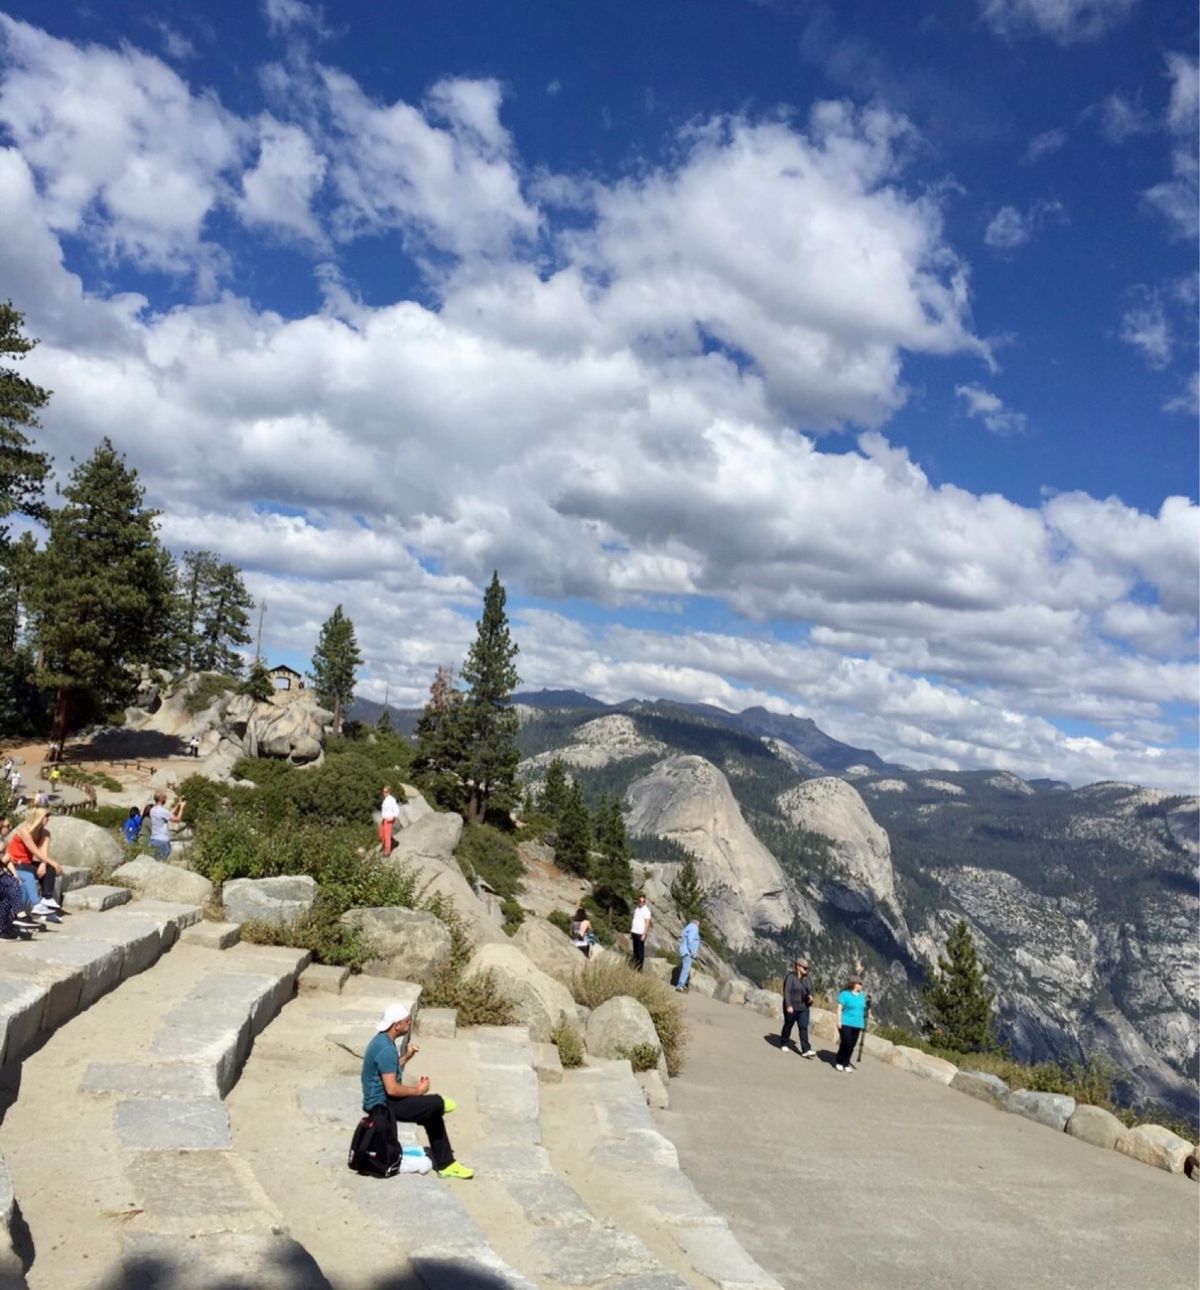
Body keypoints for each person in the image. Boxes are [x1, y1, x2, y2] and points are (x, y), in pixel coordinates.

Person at [360, 1003, 473, 1179]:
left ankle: (446, 1165)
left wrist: (406, 1057)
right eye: (407, 1021)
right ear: (396, 1025)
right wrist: (418, 1090)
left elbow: (390, 1070)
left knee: (432, 1114)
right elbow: (392, 1089)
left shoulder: (382, 1041)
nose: (409, 1023)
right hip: (381, 1106)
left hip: (384, 1102)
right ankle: (440, 1104)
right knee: (435, 1102)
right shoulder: (386, 1049)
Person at [5, 808, 63, 921]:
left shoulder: (45, 833)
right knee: (35, 873)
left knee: (48, 869)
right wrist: (54, 863)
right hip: (15, 863)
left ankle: (47, 900)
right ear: (39, 818)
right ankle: (37, 907)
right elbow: (35, 851)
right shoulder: (24, 831)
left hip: (27, 863)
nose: (48, 819)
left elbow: (43, 853)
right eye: (46, 816)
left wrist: (44, 863)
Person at [780, 957, 817, 1056]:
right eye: (805, 968)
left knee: (803, 1027)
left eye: (807, 968)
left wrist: (811, 997)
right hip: (792, 1006)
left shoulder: (808, 979)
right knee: (788, 1025)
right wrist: (788, 1005)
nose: (806, 970)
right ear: (798, 967)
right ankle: (784, 1042)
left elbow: (812, 990)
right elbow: (787, 992)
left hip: (804, 1007)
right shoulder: (791, 977)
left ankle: (806, 1049)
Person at [834, 974, 868, 1072]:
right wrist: (838, 1021)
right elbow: (839, 1008)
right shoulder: (845, 994)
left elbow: (863, 1009)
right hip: (846, 1022)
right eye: (859, 983)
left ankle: (846, 1062)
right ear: (853, 984)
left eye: (861, 984)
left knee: (852, 1044)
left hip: (858, 1024)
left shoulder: (862, 996)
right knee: (846, 1042)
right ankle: (839, 1060)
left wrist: (867, 1011)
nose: (861, 985)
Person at [147, 790, 186, 860]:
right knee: (162, 861)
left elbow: (168, 814)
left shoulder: (152, 810)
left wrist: (178, 805)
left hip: (153, 839)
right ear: (161, 799)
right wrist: (182, 808)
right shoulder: (162, 811)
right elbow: (177, 819)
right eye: (165, 798)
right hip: (162, 841)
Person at [676, 918, 701, 992]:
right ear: (696, 922)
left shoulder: (687, 927)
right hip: (687, 952)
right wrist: (692, 952)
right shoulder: (694, 928)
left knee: (683, 967)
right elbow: (690, 940)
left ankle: (682, 985)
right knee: (686, 969)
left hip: (683, 950)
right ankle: (680, 985)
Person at [629, 894, 652, 971]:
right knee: (635, 950)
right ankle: (634, 965)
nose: (641, 902)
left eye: (643, 901)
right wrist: (631, 931)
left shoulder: (646, 910)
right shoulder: (637, 909)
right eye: (640, 901)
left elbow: (647, 923)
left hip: (641, 933)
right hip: (634, 931)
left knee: (640, 951)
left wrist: (644, 934)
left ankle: (639, 968)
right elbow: (634, 921)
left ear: (645, 902)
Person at [379, 784, 401, 858]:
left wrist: (392, 818)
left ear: (389, 792)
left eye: (385, 792)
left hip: (388, 820)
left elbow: (397, 810)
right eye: (383, 791)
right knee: (381, 834)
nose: (384, 793)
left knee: (387, 836)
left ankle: (387, 852)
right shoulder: (385, 799)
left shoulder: (392, 800)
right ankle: (388, 845)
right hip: (384, 819)